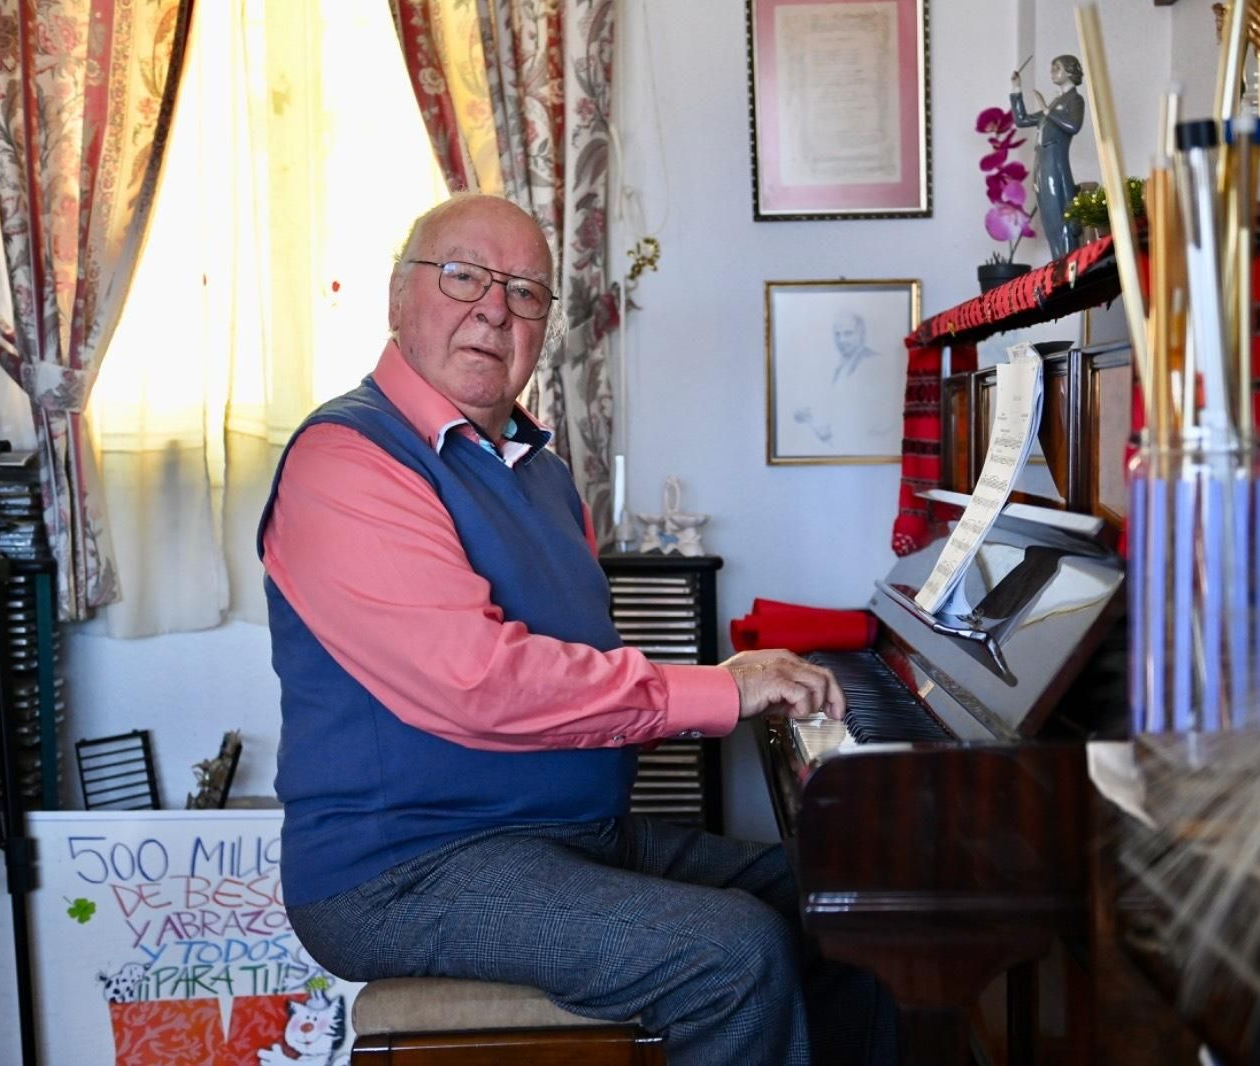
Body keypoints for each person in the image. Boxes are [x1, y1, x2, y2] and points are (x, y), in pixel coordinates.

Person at [257, 193, 896, 1065]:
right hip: (406, 867)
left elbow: (579, 671)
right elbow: (479, 682)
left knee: (848, 895)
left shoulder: (542, 472)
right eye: (463, 276)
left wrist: (733, 686)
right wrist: (719, 693)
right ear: (398, 298)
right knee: (734, 954)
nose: (494, 309)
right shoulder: (347, 458)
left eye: (525, 292)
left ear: (544, 327)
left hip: (562, 838)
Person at [790, 311, 900, 456]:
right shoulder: (841, 368)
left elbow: (886, 418)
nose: (841, 340)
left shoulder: (876, 364)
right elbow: (837, 410)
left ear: (862, 334)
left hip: (869, 453)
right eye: (837, 334)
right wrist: (811, 418)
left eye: (848, 333)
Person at [1010, 55, 1085, 259]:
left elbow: (1073, 125)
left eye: (1057, 68)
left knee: (1060, 213)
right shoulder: (1055, 102)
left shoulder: (1074, 100)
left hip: (1054, 159)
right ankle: (1057, 262)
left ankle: (1068, 262)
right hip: (1042, 161)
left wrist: (1046, 109)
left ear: (1069, 71)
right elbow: (1022, 120)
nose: (1052, 72)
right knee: (1049, 216)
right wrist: (1016, 89)